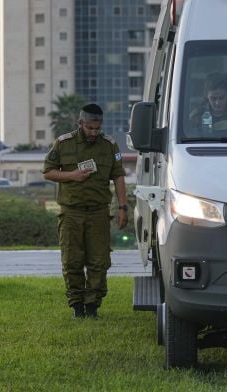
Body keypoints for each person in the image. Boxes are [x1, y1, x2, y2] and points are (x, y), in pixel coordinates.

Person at [42, 103, 128, 319]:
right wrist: (72, 175)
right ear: (80, 123)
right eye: (89, 128)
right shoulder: (64, 143)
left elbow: (118, 176)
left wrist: (122, 207)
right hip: (71, 212)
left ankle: (92, 306)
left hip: (98, 212)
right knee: (72, 260)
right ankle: (77, 306)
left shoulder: (109, 145)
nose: (93, 132)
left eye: (97, 128)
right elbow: (48, 172)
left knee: (99, 262)